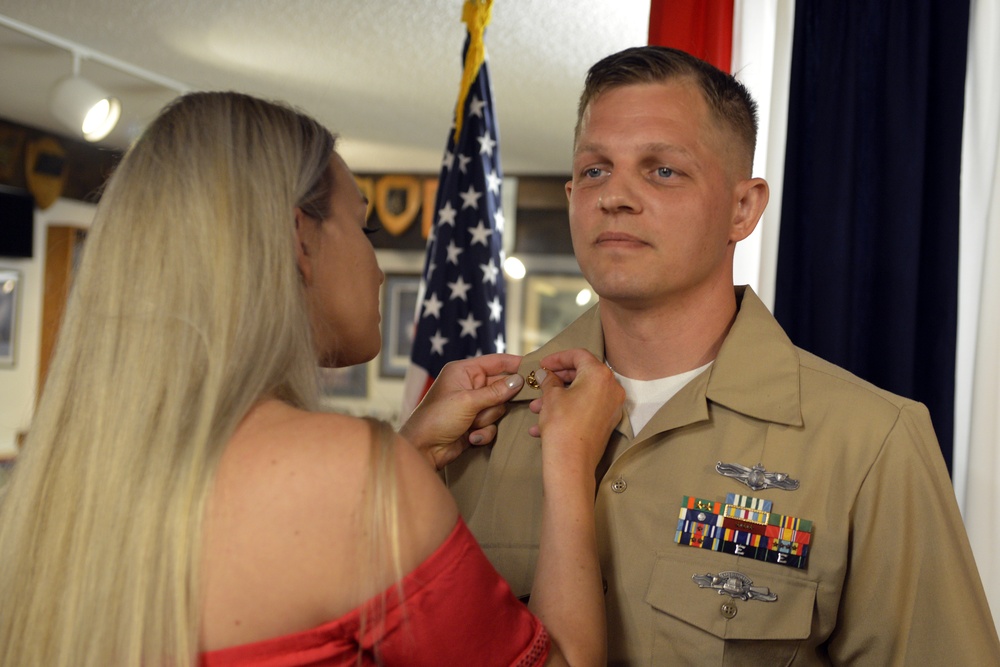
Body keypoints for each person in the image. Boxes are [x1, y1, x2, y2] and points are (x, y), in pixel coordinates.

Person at [0, 91, 624, 667]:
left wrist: (409, 451)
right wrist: (570, 465)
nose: (378, 269)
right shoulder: (352, 477)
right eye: (364, 226)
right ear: (300, 237)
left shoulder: (64, 484)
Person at [444, 46, 1000, 664]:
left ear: (743, 208)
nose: (616, 196)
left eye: (663, 171)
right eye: (596, 170)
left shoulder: (869, 442)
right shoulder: (478, 425)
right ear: (573, 194)